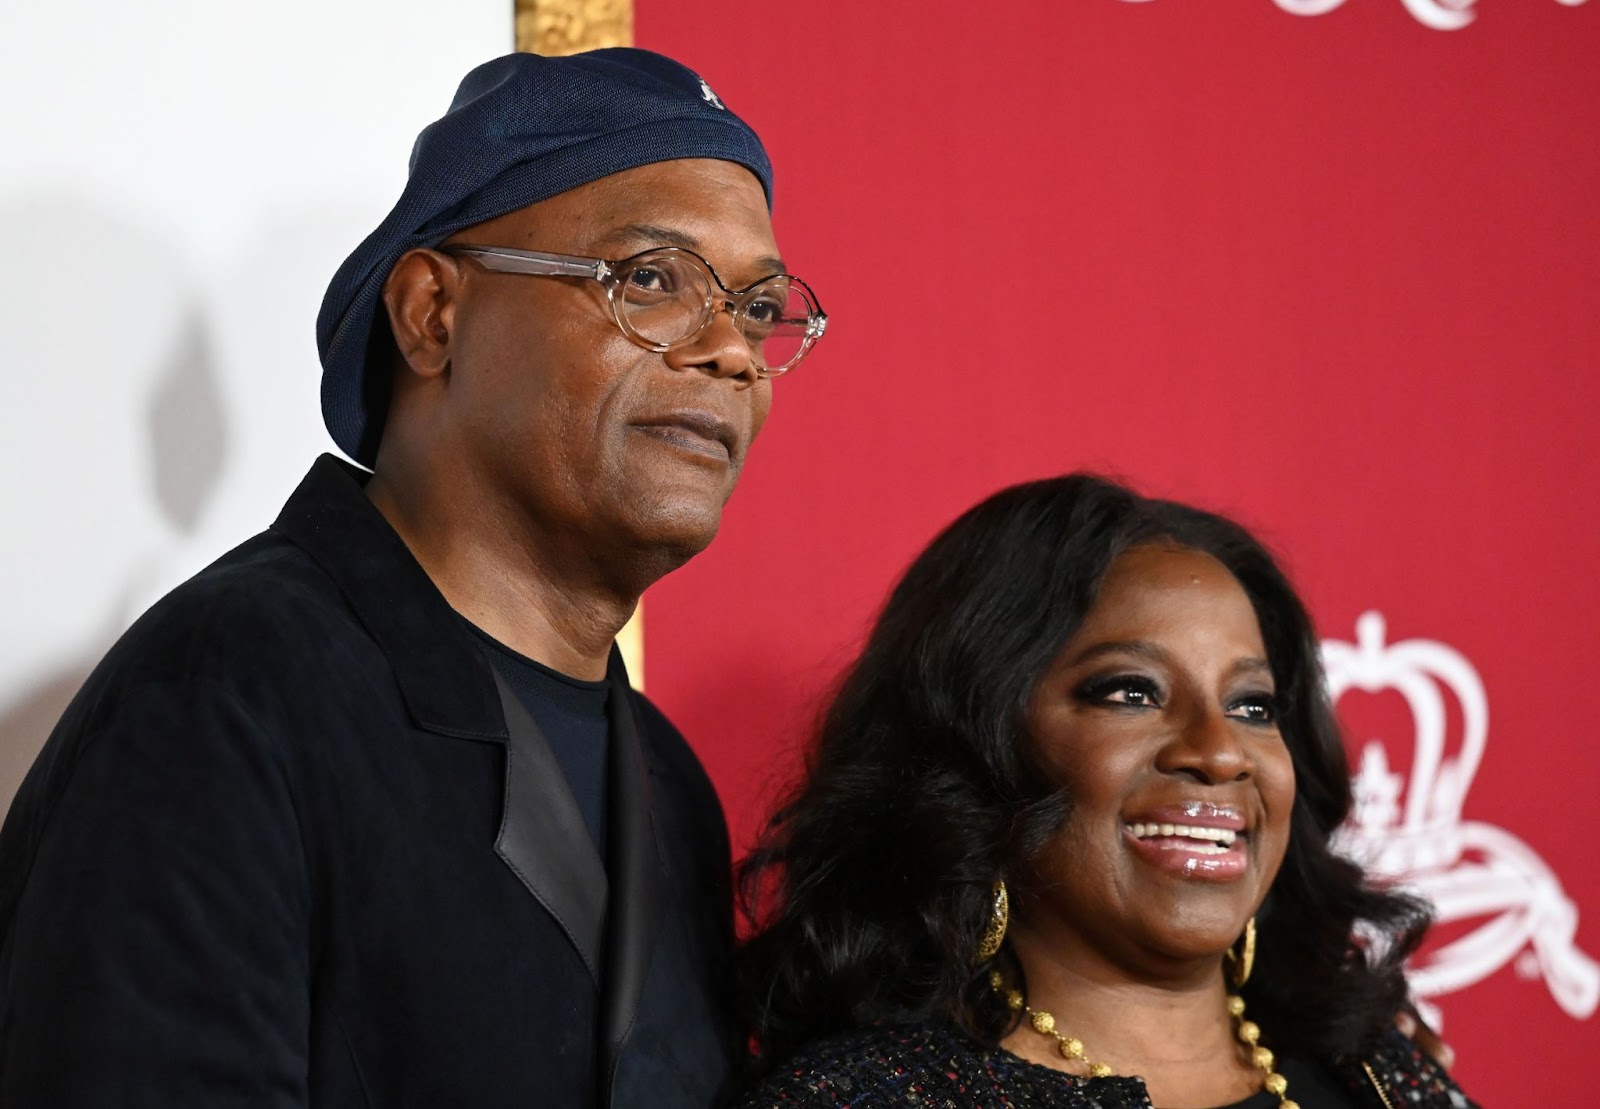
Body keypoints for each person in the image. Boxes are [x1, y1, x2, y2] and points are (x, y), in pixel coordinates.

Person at [0, 49, 825, 1108]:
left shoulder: (669, 785)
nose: (732, 352)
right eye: (651, 279)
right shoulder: (232, 688)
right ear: (432, 312)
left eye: (760, 308)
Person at [734, 475, 1475, 1109]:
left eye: (1253, 705)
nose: (1219, 751)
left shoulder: (1382, 1076)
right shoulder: (861, 1097)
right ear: (978, 750)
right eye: (1130, 691)